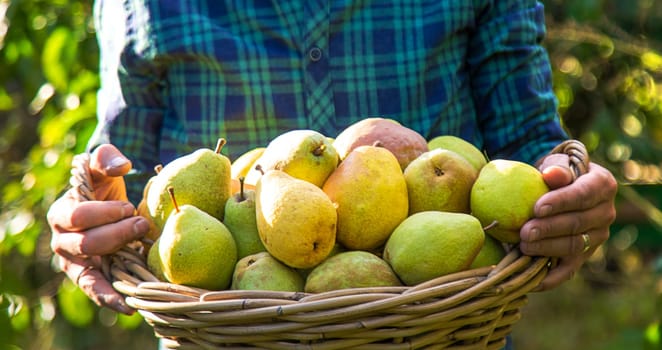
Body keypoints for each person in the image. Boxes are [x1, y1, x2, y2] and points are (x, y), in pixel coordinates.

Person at [48, 0, 617, 332]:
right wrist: (91, 214)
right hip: (222, 331)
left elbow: (529, 144)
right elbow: (121, 167)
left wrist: (566, 188)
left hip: (438, 324)